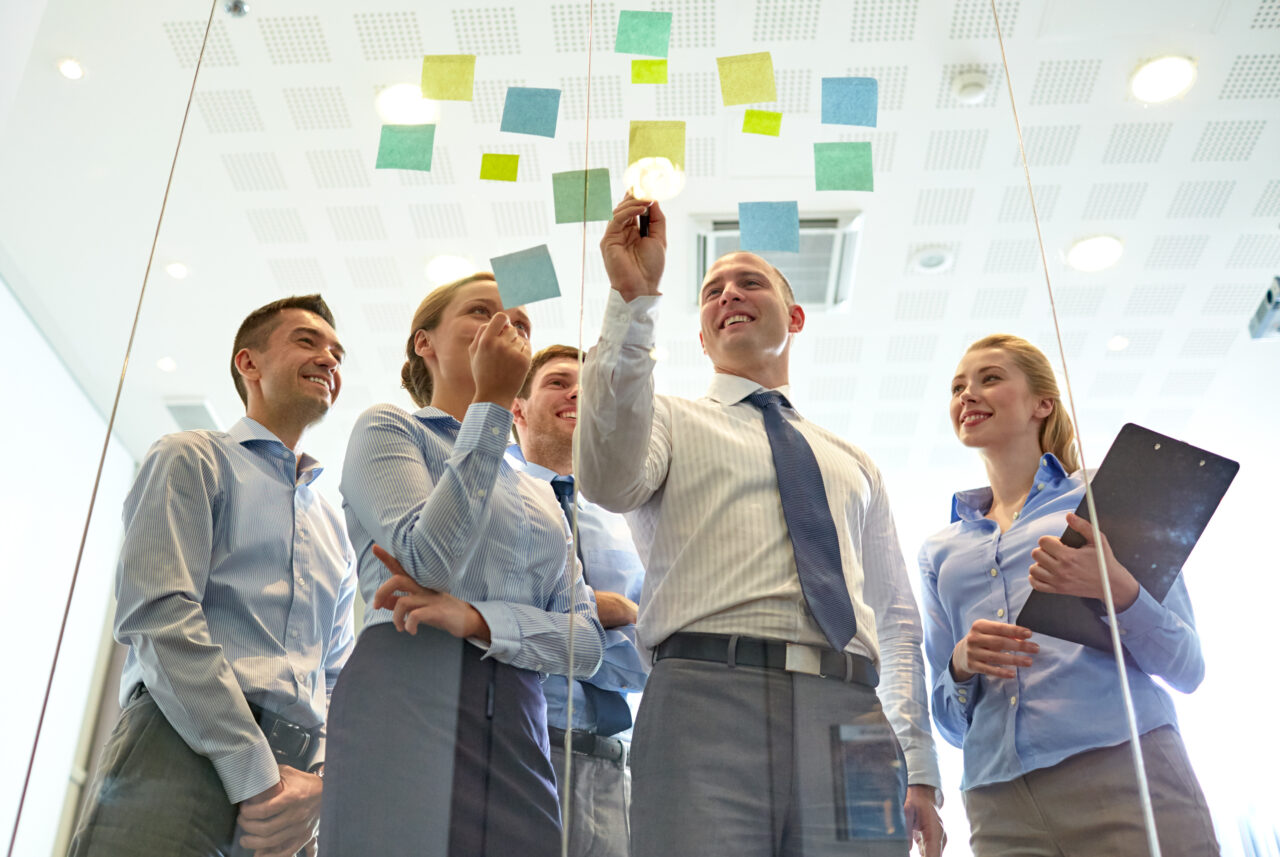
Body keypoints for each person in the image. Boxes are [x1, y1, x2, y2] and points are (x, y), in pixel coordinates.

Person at [576, 193, 946, 857]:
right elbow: (605, 478)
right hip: (705, 696)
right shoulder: (666, 417)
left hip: (856, 712)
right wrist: (633, 301)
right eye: (713, 289)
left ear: (795, 315)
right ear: (701, 333)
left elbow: (894, 616)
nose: (729, 293)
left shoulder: (855, 462)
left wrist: (917, 760)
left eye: (750, 282)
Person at [319, 273, 606, 857]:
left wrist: (477, 619)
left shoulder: (540, 497)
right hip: (404, 688)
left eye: (520, 324)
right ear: (424, 343)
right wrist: (492, 405)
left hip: (520, 720)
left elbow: (588, 643)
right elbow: (428, 562)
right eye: (482, 311)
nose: (506, 328)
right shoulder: (389, 428)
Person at [70, 295, 357, 857]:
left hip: (292, 793)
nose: (329, 359)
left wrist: (319, 788)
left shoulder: (334, 527)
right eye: (307, 341)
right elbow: (160, 617)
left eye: (337, 353)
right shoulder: (193, 458)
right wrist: (257, 773)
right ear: (247, 363)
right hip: (180, 753)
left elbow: (336, 676)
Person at [919, 334, 1219, 856]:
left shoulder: (1104, 496)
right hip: (999, 802)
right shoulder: (939, 552)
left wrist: (1119, 592)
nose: (966, 395)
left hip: (1125, 767)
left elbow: (1187, 667)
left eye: (989, 378)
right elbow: (949, 724)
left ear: (1043, 403)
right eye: (957, 387)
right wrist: (961, 665)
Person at [511, 344, 648, 857]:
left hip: (615, 771)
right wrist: (603, 614)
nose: (576, 392)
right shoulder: (492, 503)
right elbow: (501, 627)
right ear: (517, 409)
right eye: (556, 381)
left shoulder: (628, 523)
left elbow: (647, 658)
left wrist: (568, 625)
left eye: (585, 386)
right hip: (524, 754)